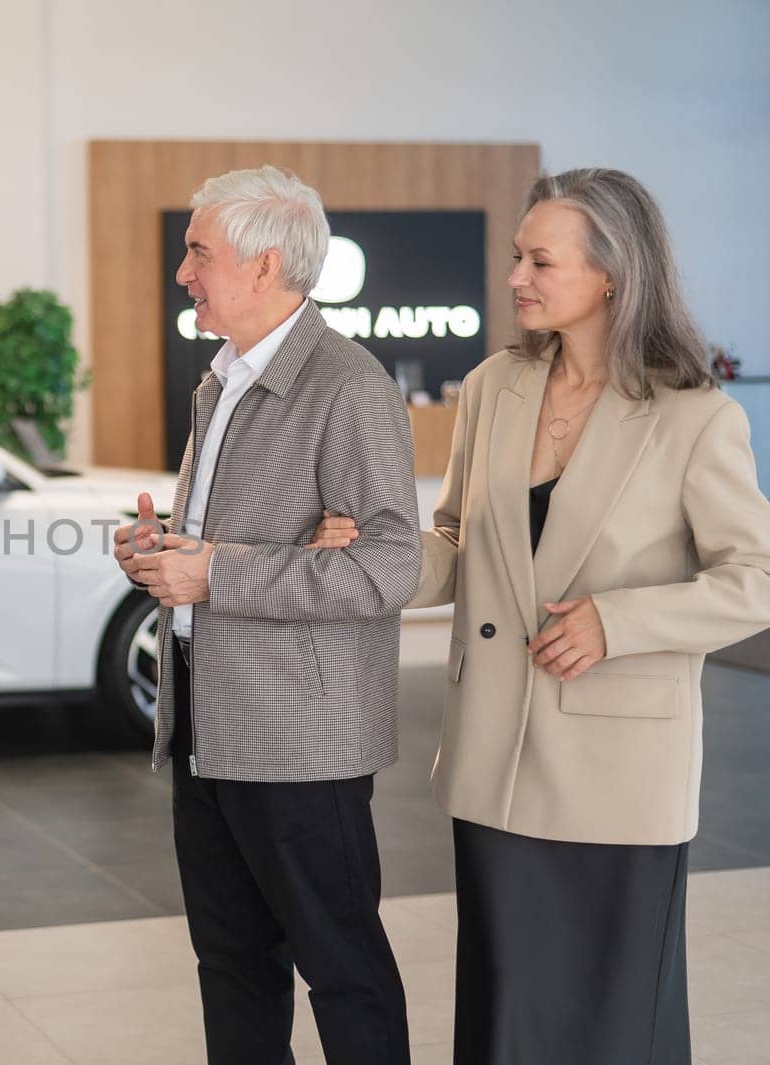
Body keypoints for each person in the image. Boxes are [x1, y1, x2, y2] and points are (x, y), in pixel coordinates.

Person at [311, 168, 770, 1064]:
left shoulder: (694, 416)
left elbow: (754, 578)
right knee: (506, 1017)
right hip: (494, 761)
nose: (516, 275)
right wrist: (376, 554)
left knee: (608, 1025)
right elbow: (453, 539)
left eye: (539, 259)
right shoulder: (492, 387)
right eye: (517, 255)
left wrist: (617, 621)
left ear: (612, 274)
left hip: (618, 772)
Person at [114, 165, 421, 1065]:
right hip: (209, 722)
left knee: (343, 967)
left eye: (198, 252)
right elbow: (220, 547)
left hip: (302, 739)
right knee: (233, 963)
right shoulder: (221, 382)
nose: (183, 273)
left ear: (266, 264)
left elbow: (390, 565)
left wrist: (218, 575)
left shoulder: (348, 386)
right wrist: (160, 552)